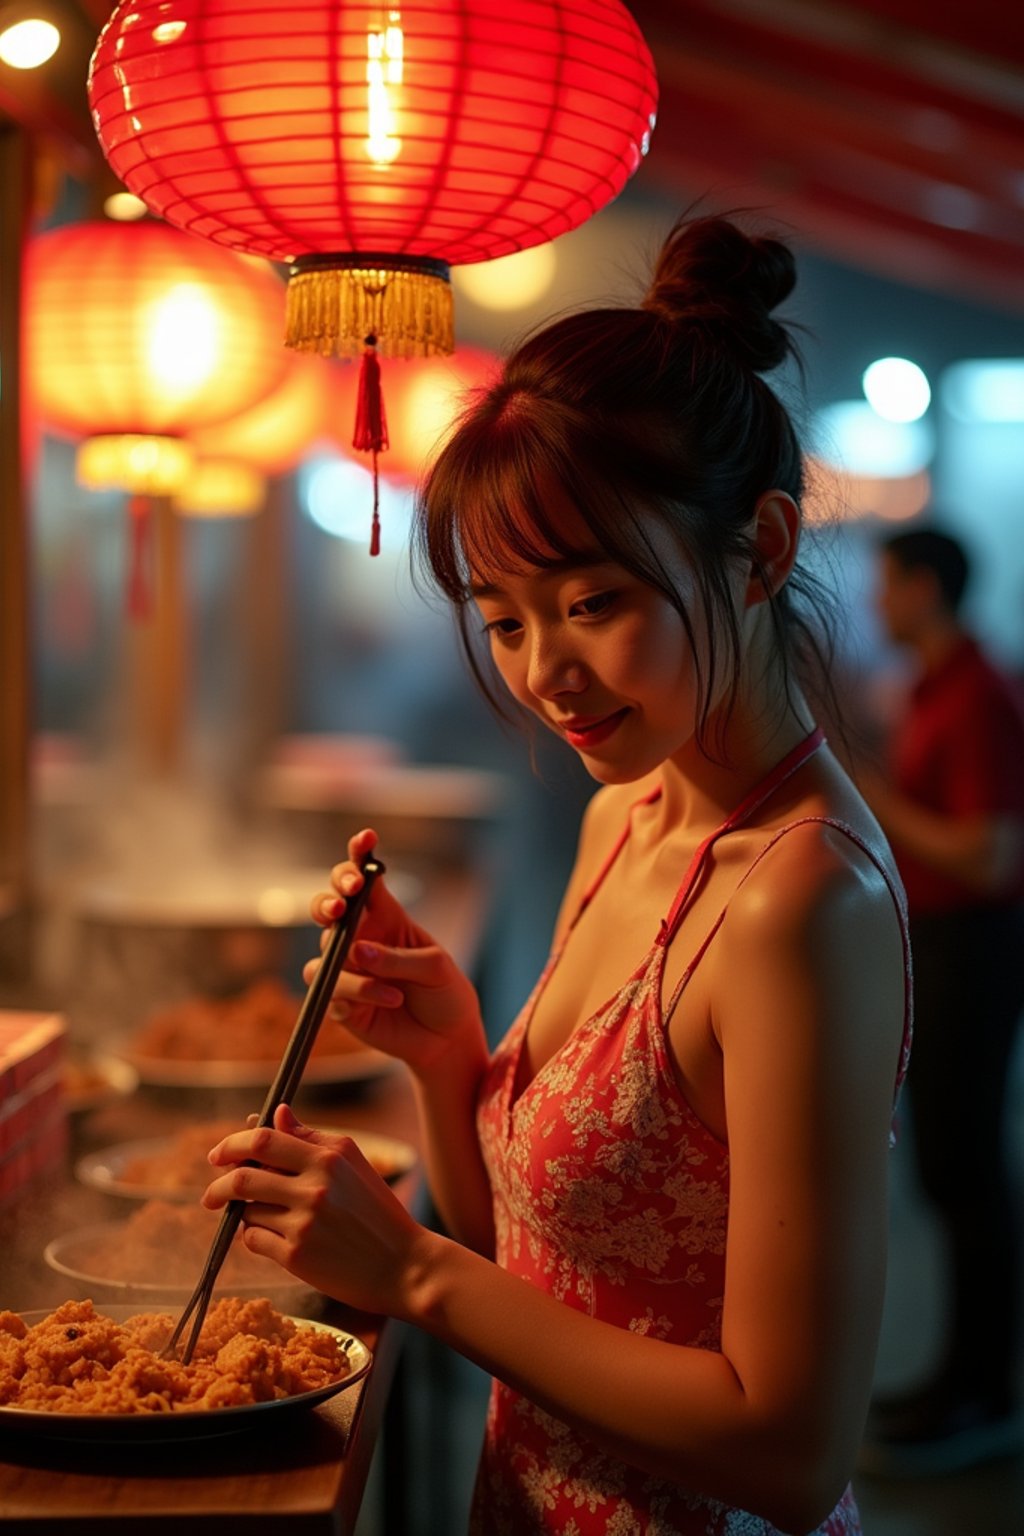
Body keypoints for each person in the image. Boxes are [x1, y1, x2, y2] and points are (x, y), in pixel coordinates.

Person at [203, 214, 912, 1536]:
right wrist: (448, 1060)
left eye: (593, 605)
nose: (545, 676)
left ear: (759, 551)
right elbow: (541, 1268)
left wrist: (411, 1270)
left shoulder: (805, 900)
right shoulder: (631, 813)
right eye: (507, 621)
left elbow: (789, 1446)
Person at [857, 526, 1024, 1477]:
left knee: (969, 1177)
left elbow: (990, 854)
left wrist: (880, 800)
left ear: (926, 589)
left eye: (888, 586)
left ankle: (983, 1391)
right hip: (946, 943)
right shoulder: (934, 685)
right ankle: (955, 1378)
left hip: (977, 946)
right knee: (951, 1173)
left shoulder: (977, 695)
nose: (877, 604)